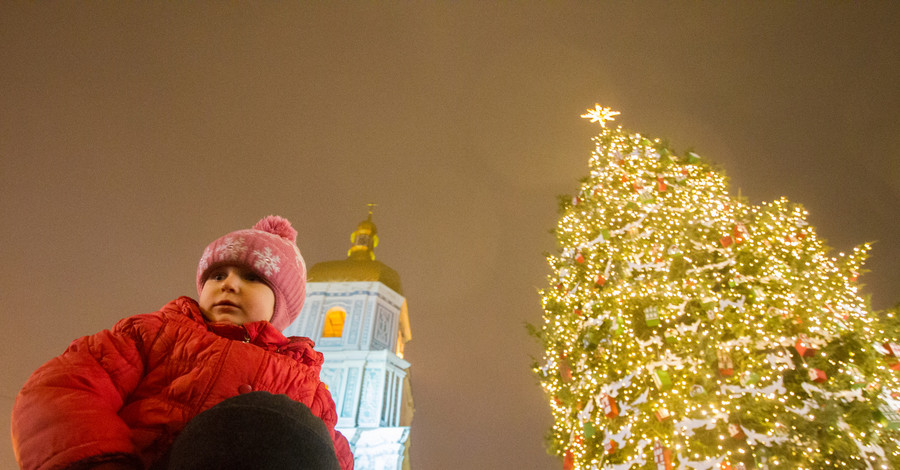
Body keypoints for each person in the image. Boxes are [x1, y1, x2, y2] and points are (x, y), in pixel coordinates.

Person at [11, 216, 354, 470]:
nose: (229, 284)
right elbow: (64, 388)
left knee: (289, 423)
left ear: (283, 306)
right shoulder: (155, 334)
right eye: (217, 275)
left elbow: (333, 457)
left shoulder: (308, 388)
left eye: (252, 278)